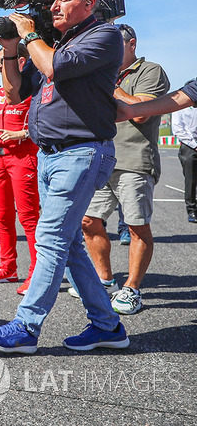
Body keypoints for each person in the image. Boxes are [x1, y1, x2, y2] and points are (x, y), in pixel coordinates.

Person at [0, 0, 129, 354]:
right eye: (53, 0)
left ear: (89, 3)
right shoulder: (54, 43)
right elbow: (13, 93)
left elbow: (55, 68)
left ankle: (25, 328)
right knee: (70, 246)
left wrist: (30, 34)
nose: (53, 6)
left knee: (49, 239)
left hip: (81, 152)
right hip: (51, 156)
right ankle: (108, 326)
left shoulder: (104, 36)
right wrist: (11, 47)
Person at [78, 24, 169, 315]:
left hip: (134, 160)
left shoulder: (150, 71)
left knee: (136, 225)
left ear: (132, 45)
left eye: (115, 44)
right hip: (102, 158)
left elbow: (141, 112)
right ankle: (103, 280)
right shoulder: (105, 72)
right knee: (89, 221)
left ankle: (131, 288)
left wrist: (109, 85)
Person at [0, 45, 39, 295]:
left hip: (23, 156)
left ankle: (37, 273)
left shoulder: (33, 87)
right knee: (2, 217)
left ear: (21, 61)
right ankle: (8, 267)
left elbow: (45, 124)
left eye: (4, 61)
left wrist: (21, 133)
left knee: (29, 218)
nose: (1, 66)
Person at [171, 104, 197, 223]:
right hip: (189, 146)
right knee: (191, 179)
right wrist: (195, 145)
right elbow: (178, 130)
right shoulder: (180, 108)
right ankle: (191, 210)